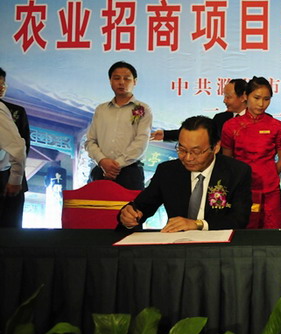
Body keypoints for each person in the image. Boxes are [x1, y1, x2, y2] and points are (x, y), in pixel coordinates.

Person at [118, 116, 252, 231]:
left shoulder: (237, 172)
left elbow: (239, 219)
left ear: (216, 147)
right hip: (177, 246)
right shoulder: (168, 171)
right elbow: (142, 206)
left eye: (196, 151)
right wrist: (128, 216)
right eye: (182, 150)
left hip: (218, 246)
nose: (188, 158)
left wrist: (197, 224)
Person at [221, 77, 281, 229]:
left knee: (273, 231)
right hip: (243, 189)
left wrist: (269, 174)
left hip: (270, 190)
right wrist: (240, 180)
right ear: (246, 96)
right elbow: (227, 160)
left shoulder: (277, 126)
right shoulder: (231, 126)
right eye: (256, 98)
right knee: (244, 231)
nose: (261, 104)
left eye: (266, 99)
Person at [85, 61, 152, 190]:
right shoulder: (101, 109)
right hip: (101, 171)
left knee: (131, 204)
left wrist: (116, 165)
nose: (121, 82)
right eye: (116, 78)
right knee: (96, 203)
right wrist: (102, 161)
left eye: (127, 78)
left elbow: (141, 142)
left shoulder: (142, 109)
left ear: (135, 81)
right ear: (110, 81)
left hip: (130, 173)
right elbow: (90, 141)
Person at [152, 78, 247, 142]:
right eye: (224, 96)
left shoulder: (255, 119)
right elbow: (198, 132)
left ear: (243, 97)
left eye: (228, 97)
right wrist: (166, 135)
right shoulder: (220, 118)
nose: (224, 101)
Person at [0, 68, 30, 227]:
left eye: (3, 84)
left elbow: (21, 146)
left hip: (8, 177)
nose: (1, 87)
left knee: (9, 229)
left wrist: (15, 177)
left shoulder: (13, 111)